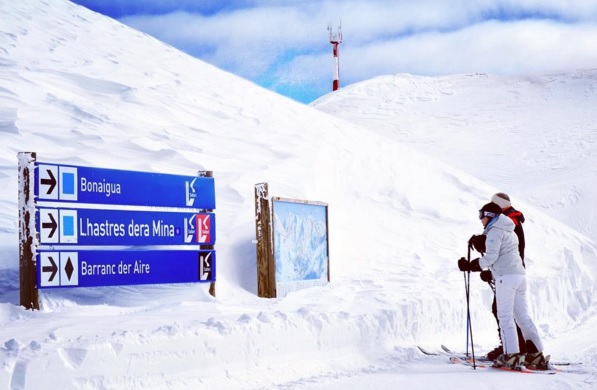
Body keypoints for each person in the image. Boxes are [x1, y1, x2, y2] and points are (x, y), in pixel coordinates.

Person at [458, 202, 547, 369]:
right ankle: (536, 355)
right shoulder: (509, 230)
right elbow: (505, 257)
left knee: (505, 317)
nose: (480, 219)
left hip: (506, 279)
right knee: (523, 317)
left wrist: (472, 265)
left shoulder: (495, 232)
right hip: (519, 276)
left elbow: (491, 257)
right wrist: (490, 272)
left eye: (481, 214)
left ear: (490, 216)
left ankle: (511, 356)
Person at [474, 193, 528, 360]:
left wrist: (489, 268)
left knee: (503, 311)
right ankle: (523, 348)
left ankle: (511, 349)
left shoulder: (505, 222)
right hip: (514, 271)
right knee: (516, 313)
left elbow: (503, 251)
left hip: (507, 272)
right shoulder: (509, 221)